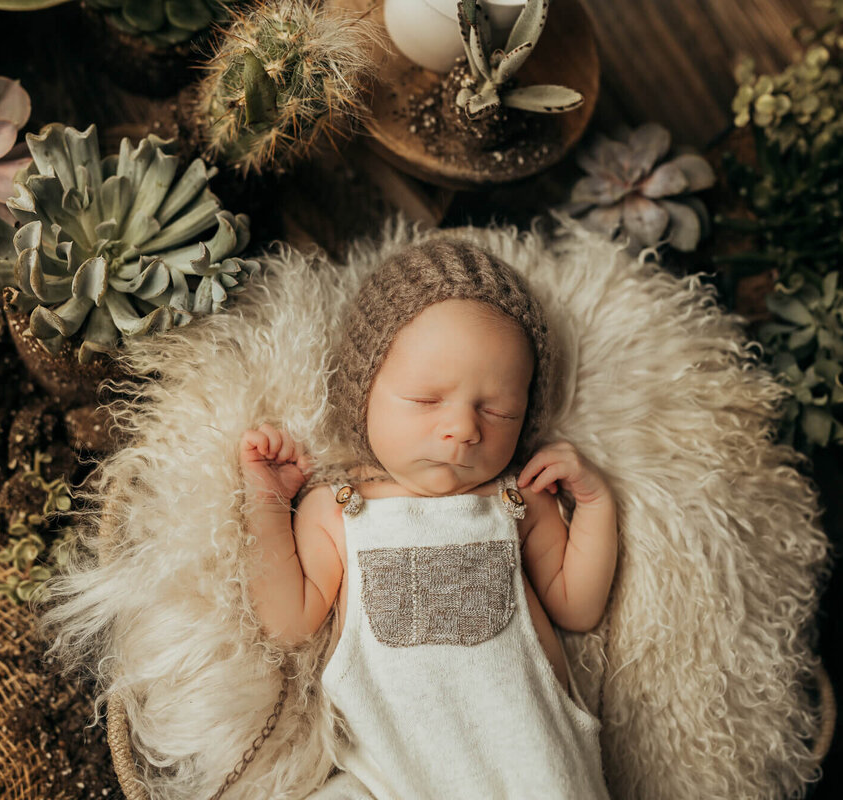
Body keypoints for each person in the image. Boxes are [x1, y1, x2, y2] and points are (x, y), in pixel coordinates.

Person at [238, 238, 616, 799]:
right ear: (363, 395)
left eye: (497, 410)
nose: (464, 428)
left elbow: (577, 607)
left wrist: (595, 505)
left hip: (530, 763)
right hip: (392, 776)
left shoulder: (519, 500)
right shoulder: (339, 507)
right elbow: (287, 622)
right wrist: (267, 502)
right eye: (425, 399)